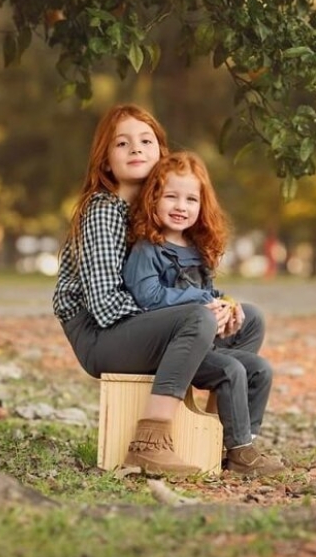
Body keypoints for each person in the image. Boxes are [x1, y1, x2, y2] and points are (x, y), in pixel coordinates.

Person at [53, 104, 232, 477]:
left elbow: (182, 288)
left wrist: (220, 308)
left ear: (162, 154)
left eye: (146, 141)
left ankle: (228, 437)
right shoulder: (104, 211)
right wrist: (191, 311)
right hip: (100, 336)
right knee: (198, 315)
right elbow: (103, 307)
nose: (136, 149)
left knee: (247, 320)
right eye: (122, 143)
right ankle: (149, 441)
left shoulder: (154, 214)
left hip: (136, 326)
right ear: (105, 162)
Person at [124, 151, 284, 477]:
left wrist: (226, 311)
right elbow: (148, 298)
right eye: (171, 197)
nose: (181, 207)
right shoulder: (146, 250)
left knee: (258, 360)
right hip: (167, 349)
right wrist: (203, 300)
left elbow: (207, 297)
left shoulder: (198, 251)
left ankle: (240, 443)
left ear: (202, 205)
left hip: (201, 341)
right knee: (231, 370)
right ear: (153, 200)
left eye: (191, 199)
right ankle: (240, 452)